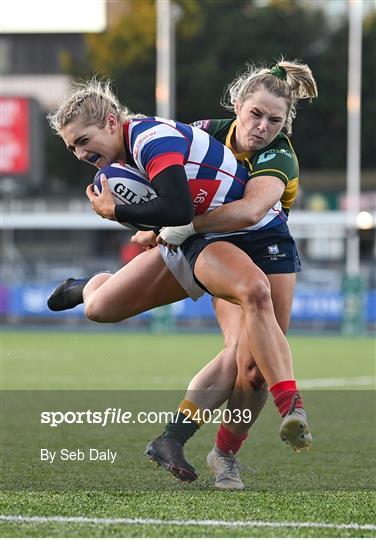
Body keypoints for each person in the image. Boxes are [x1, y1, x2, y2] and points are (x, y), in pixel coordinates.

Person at [47, 61, 316, 487]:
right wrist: (156, 226)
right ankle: (87, 288)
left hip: (262, 244)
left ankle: (218, 451)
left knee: (248, 365)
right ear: (237, 106)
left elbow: (246, 210)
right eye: (255, 114)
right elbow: (170, 179)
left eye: (274, 119)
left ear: (284, 124)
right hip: (206, 241)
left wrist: (169, 225)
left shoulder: (277, 152)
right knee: (100, 308)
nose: (262, 126)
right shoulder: (205, 129)